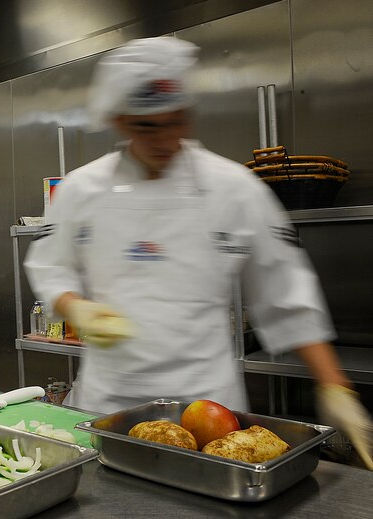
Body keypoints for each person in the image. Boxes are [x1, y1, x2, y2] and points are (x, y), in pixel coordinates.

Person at [23, 36, 373, 468]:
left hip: (212, 417)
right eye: (147, 126)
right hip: (107, 407)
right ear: (119, 120)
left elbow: (287, 292)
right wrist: (77, 307)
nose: (164, 138)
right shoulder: (82, 188)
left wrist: (335, 387)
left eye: (175, 122)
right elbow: (48, 263)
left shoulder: (233, 188)